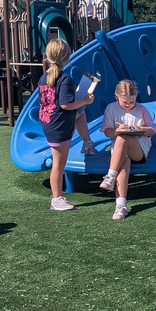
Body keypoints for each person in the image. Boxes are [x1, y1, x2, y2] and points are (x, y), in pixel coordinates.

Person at [38, 38, 95, 211]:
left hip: (49, 121)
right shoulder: (65, 79)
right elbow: (65, 104)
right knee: (58, 164)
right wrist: (85, 99)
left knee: (80, 112)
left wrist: (81, 104)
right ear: (67, 57)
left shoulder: (44, 76)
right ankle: (56, 199)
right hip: (59, 126)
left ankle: (87, 143)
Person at [99, 79, 156, 220]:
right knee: (123, 161)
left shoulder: (141, 109)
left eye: (132, 101)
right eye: (125, 102)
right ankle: (120, 206)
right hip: (120, 150)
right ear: (116, 96)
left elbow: (152, 130)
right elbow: (107, 131)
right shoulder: (111, 108)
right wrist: (117, 130)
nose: (129, 105)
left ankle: (110, 176)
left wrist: (139, 129)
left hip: (139, 147)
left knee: (123, 138)